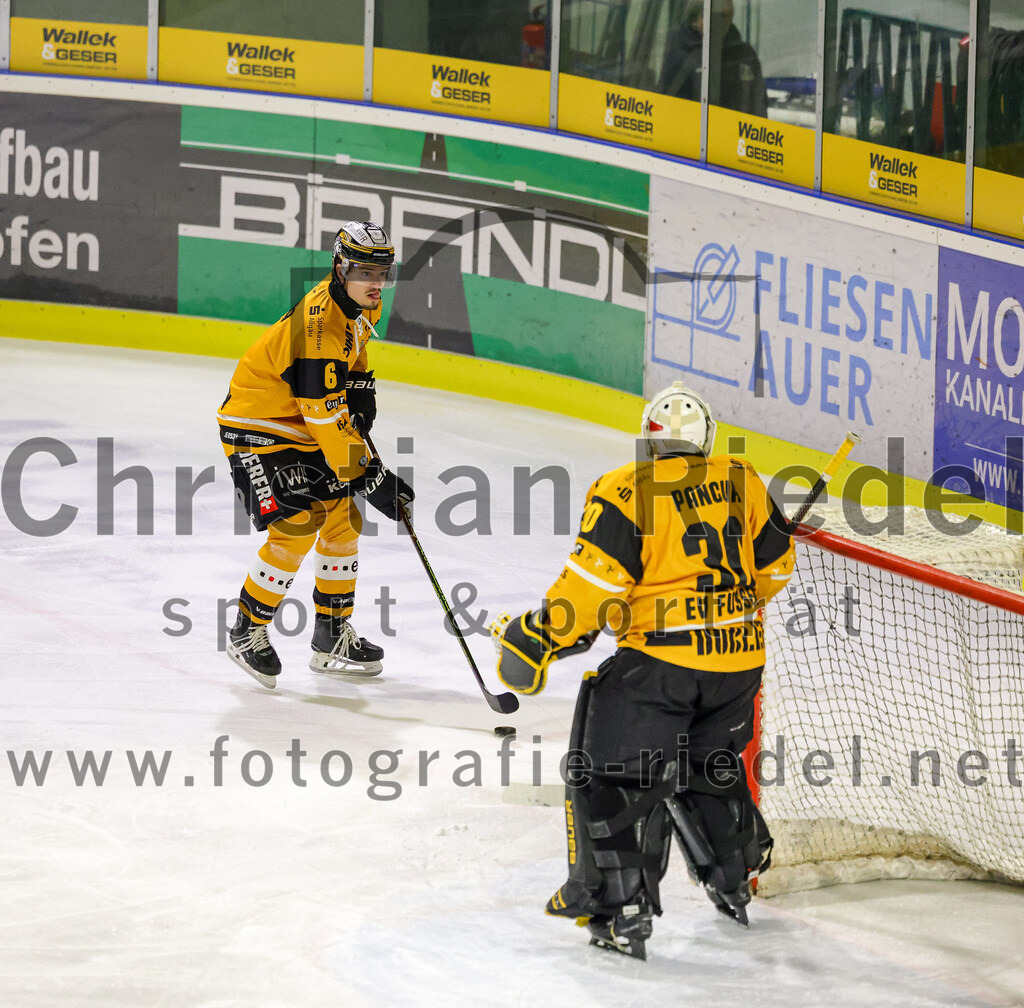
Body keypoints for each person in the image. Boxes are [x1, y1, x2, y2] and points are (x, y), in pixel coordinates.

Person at [493, 382, 794, 959]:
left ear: (649, 442)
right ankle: (733, 874)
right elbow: (776, 572)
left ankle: (620, 906)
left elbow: (590, 591)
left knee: (613, 776)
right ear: (704, 440)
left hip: (660, 666)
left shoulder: (626, 488)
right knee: (712, 765)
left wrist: (537, 634)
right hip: (739, 662)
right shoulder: (744, 479)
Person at [218, 221, 414, 689]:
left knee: (343, 520)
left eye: (382, 271)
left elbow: (356, 352)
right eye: (365, 271)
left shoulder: (363, 301)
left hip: (301, 423)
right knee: (298, 526)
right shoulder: (319, 326)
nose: (375, 282)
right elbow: (326, 420)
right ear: (340, 266)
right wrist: (372, 478)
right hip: (258, 426)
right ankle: (247, 631)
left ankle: (330, 634)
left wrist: (361, 388)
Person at [659, 0, 768, 118]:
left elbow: (759, 104)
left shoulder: (745, 55)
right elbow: (668, 106)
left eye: (726, 16)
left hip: (736, 131)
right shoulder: (680, 55)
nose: (719, 22)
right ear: (694, 21)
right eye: (712, 16)